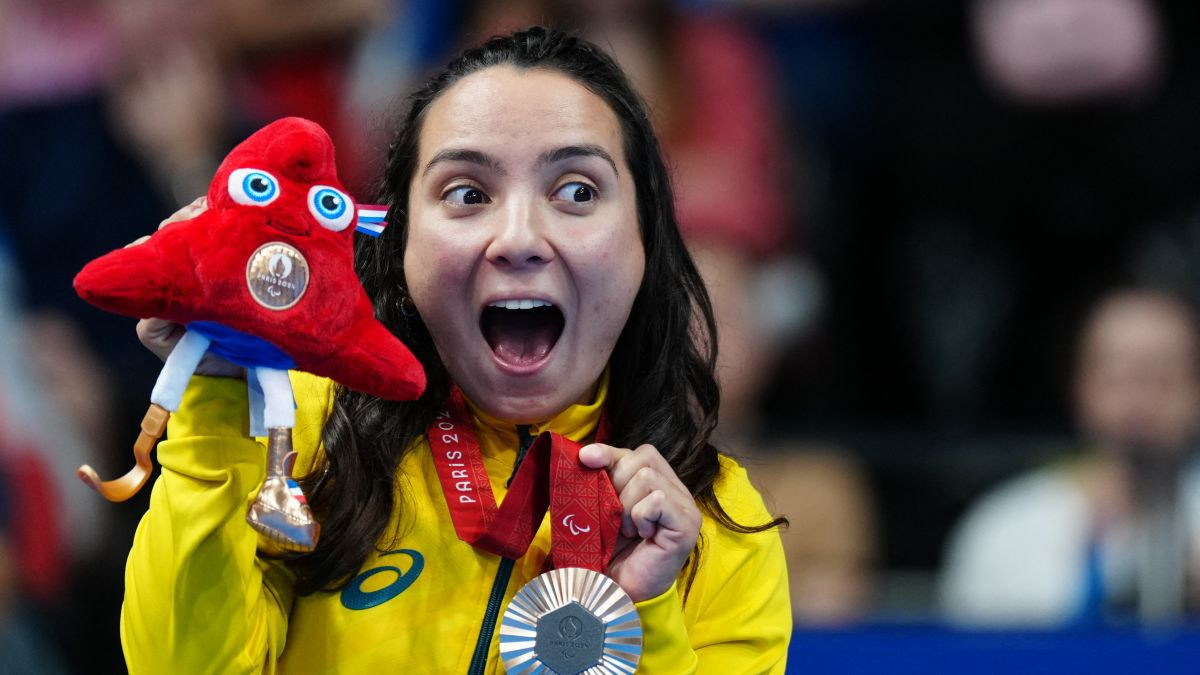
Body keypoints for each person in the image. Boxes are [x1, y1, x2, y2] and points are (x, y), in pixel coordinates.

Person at [119, 27, 791, 672]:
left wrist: (641, 609)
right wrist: (214, 401)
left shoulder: (715, 530)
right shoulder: (292, 435)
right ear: (401, 245)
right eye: (467, 193)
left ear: (646, 241)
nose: (519, 236)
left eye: (577, 191)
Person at [940, 287, 1200, 626]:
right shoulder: (1004, 528)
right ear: (1080, 387)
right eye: (1118, 375)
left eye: (1163, 377)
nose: (1140, 397)